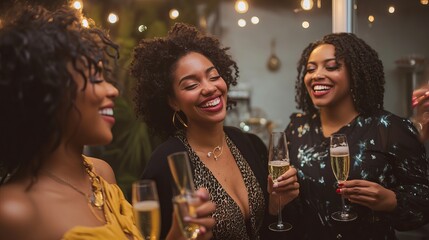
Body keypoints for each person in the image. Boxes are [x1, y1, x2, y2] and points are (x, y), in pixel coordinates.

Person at [0, 4, 214, 240]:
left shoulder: (102, 175)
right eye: (95, 79)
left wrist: (178, 235)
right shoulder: (13, 211)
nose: (112, 90)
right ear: (47, 93)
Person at [131, 22, 299, 240]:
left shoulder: (248, 143)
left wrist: (276, 207)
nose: (210, 88)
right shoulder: (166, 163)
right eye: (191, 85)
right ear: (173, 101)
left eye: (213, 76)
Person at [284, 32, 429, 239]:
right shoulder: (298, 127)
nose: (316, 75)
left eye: (331, 67)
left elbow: (424, 198)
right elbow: (292, 205)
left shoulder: (388, 128)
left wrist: (390, 201)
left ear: (356, 73)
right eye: (310, 69)